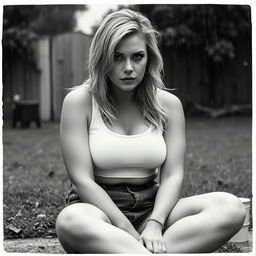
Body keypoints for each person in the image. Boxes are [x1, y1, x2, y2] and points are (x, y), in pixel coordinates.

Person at [55, 9, 245, 253]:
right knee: (70, 221)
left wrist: (155, 223)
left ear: (149, 57)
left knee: (230, 207)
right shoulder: (79, 101)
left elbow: (173, 175)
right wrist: (128, 230)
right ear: (103, 58)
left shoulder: (169, 105)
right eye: (117, 57)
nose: (128, 67)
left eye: (137, 57)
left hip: (153, 207)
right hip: (97, 211)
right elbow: (82, 180)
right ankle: (147, 250)